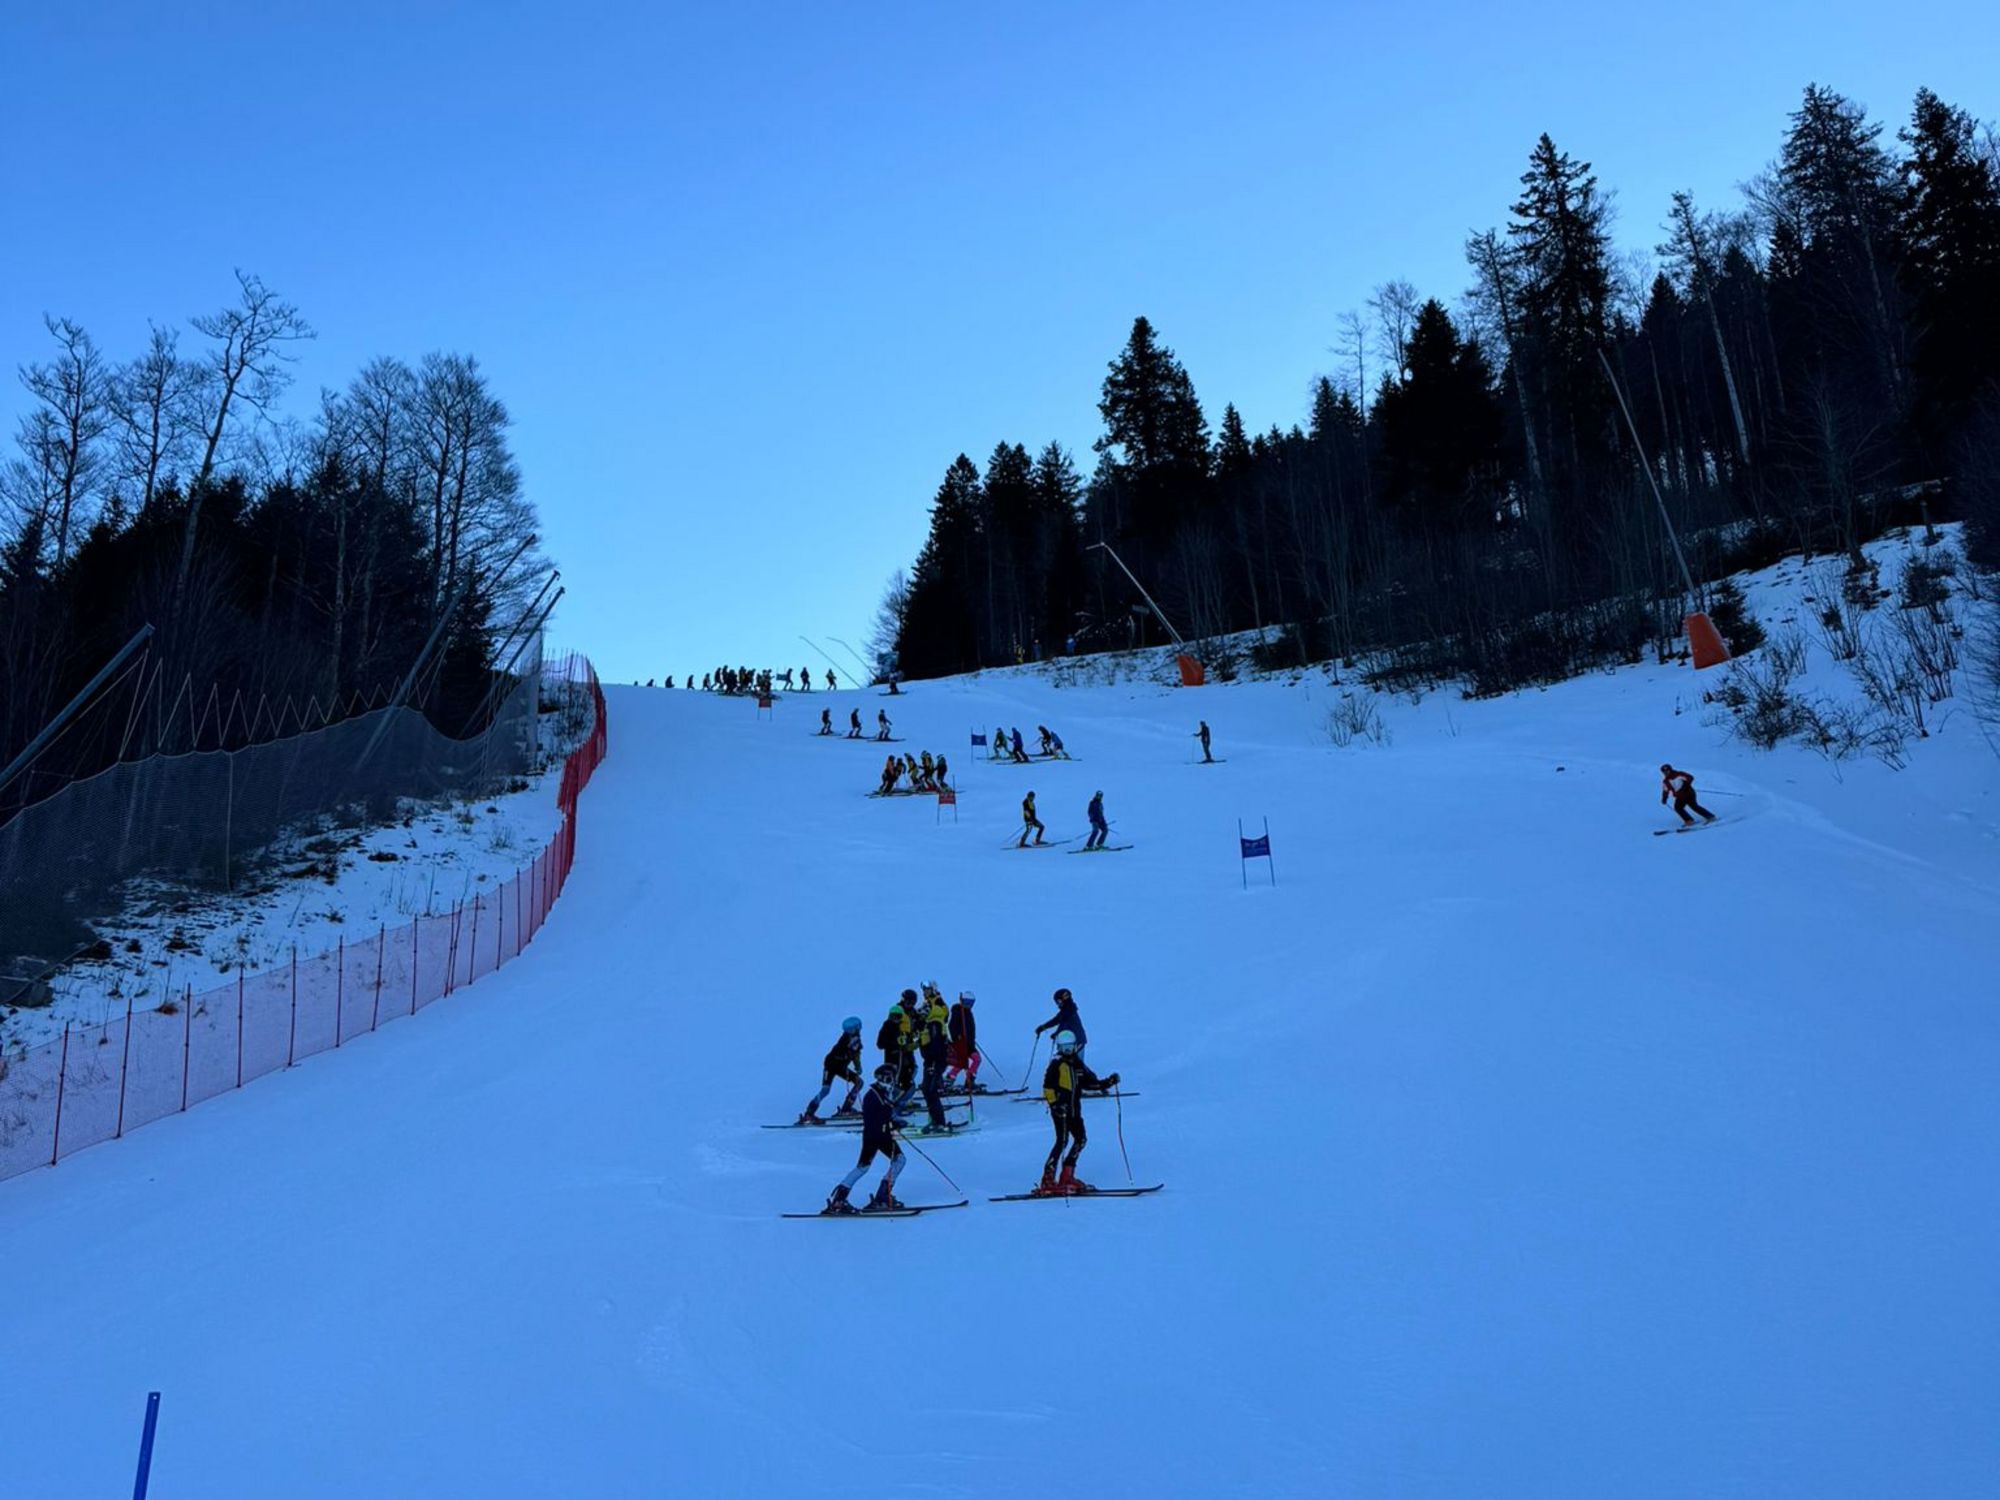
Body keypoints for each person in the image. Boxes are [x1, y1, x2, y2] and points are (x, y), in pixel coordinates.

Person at [1037, 1030, 1120, 1196]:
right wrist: (1055, 1104)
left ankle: (1067, 1175)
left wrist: (1107, 1083)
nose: (1067, 1051)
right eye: (1064, 1047)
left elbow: (1090, 1083)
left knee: (1081, 1139)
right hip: (1061, 1111)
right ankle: (1048, 1178)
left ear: (1075, 1046)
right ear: (1059, 1048)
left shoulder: (1077, 1064)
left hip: (1074, 1111)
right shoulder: (1056, 1064)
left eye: (1070, 1047)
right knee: (1062, 1140)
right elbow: (1047, 1088)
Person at [826, 1064, 908, 1213]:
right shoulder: (872, 1096)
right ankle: (881, 1197)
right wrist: (889, 1124)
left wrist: (893, 1122)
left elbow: (884, 1115)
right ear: (883, 1079)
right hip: (877, 1136)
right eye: (890, 1078)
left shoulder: (881, 1093)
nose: (893, 1082)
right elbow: (874, 1119)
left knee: (866, 1167)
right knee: (895, 1160)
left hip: (878, 1136)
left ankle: (841, 1199)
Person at [799, 1016, 865, 1123]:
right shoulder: (845, 1040)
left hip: (837, 1067)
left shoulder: (854, 1040)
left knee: (858, 1083)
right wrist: (855, 1064)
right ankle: (809, 1113)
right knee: (826, 1090)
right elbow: (850, 1054)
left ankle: (846, 1108)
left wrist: (857, 1066)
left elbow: (855, 1055)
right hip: (832, 1066)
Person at [916, 983, 953, 1131]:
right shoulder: (929, 1024)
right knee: (927, 1089)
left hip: (935, 1060)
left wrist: (933, 1063)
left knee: (930, 1090)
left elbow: (936, 1045)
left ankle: (939, 1122)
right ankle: (936, 1121)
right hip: (930, 1060)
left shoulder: (934, 1024)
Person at [881, 990, 919, 1112]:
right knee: (895, 1082)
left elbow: (916, 1024)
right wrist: (896, 1044)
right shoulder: (889, 1024)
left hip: (905, 1055)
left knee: (912, 1072)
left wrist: (911, 1043)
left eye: (912, 1002)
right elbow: (880, 1043)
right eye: (908, 1002)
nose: (896, 1019)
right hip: (894, 1059)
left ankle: (902, 1102)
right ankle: (892, 1107)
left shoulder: (911, 1014)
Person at [943, 990, 980, 1091]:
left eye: (971, 1003)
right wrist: (958, 1036)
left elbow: (970, 1028)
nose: (969, 1005)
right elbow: (952, 1026)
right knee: (962, 1062)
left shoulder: (968, 1013)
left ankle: (969, 1079)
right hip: (961, 1043)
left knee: (976, 1059)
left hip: (969, 1043)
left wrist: (971, 1038)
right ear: (962, 1001)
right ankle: (949, 1079)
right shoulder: (958, 1011)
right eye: (967, 1003)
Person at [1034, 986, 1085, 1059]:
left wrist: (1056, 1033)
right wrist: (1043, 1027)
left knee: (1076, 1063)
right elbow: (1056, 1020)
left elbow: (1064, 1025)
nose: (1058, 1004)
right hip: (1070, 1042)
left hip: (1076, 1041)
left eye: (1058, 1001)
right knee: (1068, 1061)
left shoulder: (1069, 1011)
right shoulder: (1065, 1011)